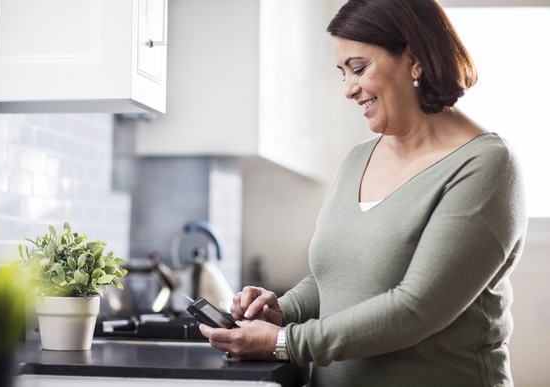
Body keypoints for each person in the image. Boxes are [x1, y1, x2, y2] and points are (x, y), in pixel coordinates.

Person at [199, 0, 527, 386]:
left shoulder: (485, 165)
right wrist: (280, 311)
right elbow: (335, 278)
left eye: (358, 68)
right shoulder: (358, 159)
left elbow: (416, 309)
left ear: (415, 59)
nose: (348, 89)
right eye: (342, 73)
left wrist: (284, 341)